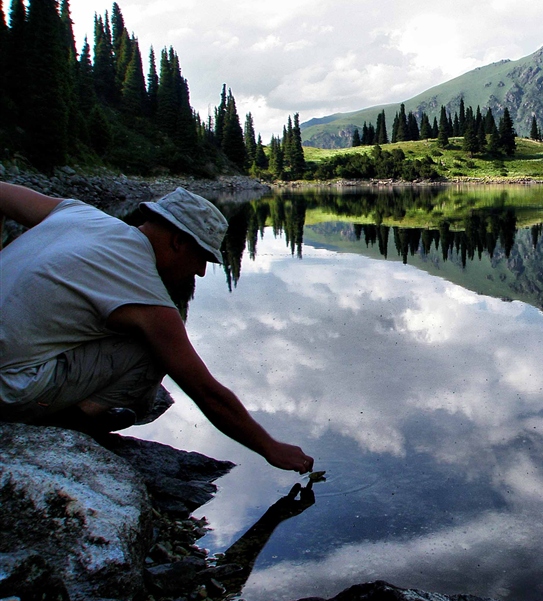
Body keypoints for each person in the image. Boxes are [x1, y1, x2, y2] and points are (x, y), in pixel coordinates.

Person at [0, 181, 313, 473]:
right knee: (153, 350)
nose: (202, 272)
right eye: (202, 257)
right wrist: (269, 447)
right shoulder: (144, 290)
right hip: (10, 391)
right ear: (178, 241)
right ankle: (70, 424)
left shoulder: (79, 214)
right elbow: (206, 392)